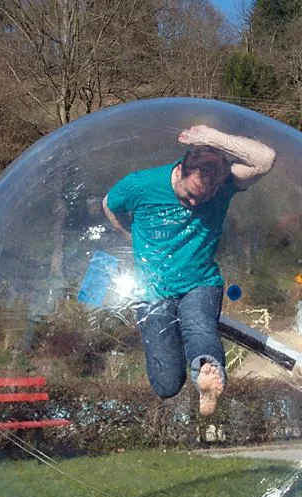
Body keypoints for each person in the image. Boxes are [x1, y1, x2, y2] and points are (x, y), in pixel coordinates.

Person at [103, 125, 276, 415]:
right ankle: (186, 374)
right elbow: (109, 203)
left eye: (202, 198)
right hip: (152, 290)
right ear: (180, 170)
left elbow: (265, 159)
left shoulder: (224, 185)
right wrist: (127, 234)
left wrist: (211, 138)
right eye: (189, 194)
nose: (194, 203)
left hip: (200, 282)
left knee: (198, 324)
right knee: (166, 383)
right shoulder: (141, 185)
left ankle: (207, 375)